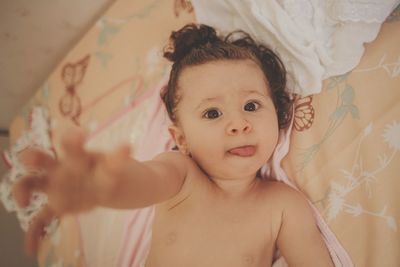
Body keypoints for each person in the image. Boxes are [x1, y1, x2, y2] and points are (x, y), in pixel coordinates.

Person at [13, 24, 334, 266]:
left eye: (251, 106)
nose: (239, 123)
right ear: (181, 139)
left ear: (276, 112)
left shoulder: (282, 204)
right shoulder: (182, 175)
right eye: (212, 113)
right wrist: (101, 187)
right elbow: (141, 181)